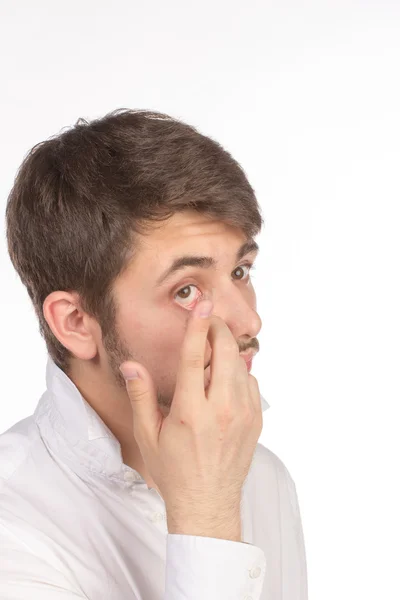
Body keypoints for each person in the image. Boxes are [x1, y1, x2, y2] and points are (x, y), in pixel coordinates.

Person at [0, 109, 308, 599]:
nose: (248, 323)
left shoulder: (263, 478)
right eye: (186, 290)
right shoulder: (13, 529)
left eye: (240, 272)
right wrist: (207, 513)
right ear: (77, 323)